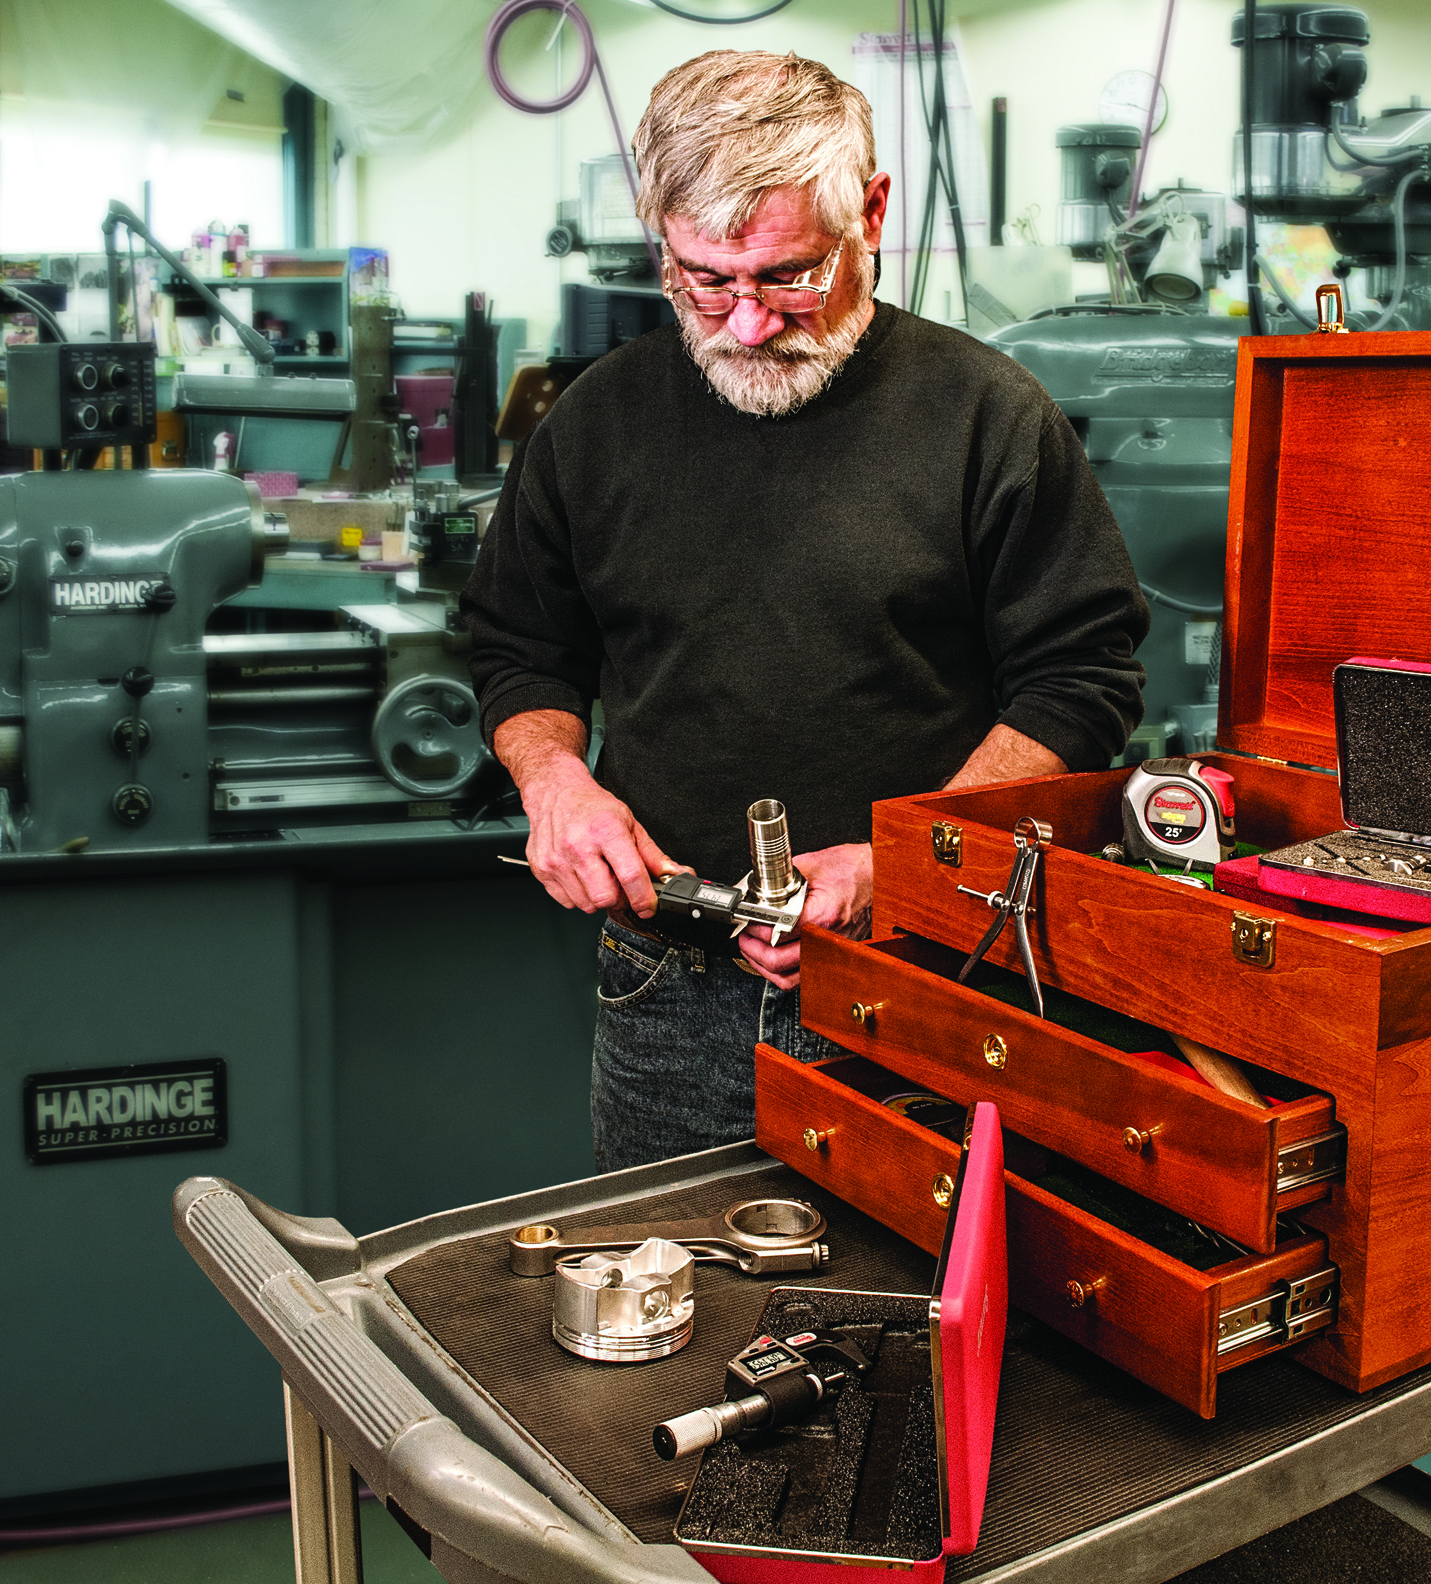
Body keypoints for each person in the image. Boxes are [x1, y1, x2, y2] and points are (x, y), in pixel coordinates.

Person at [463, 49, 1147, 1173]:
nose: (743, 325)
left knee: (929, 1311)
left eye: (786, 277)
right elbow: (521, 647)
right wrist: (554, 782)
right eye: (702, 280)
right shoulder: (596, 423)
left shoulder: (986, 417)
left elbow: (1080, 681)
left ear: (870, 212)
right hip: (666, 992)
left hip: (924, 981)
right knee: (668, 1295)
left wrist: (907, 862)